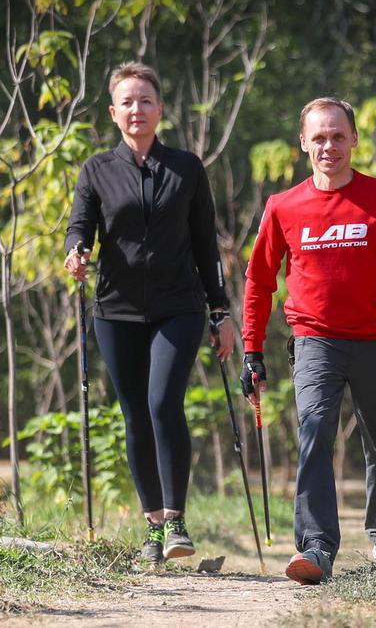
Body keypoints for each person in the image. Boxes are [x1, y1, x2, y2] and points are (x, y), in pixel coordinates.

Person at [241, 97, 376, 584]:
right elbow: (259, 281)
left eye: (338, 136)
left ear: (354, 139)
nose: (329, 146)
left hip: (372, 338)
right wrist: (251, 349)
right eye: (319, 137)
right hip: (314, 339)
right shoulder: (283, 205)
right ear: (303, 143)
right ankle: (317, 547)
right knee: (314, 433)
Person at [64, 61, 232, 564]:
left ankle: (177, 521)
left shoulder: (186, 167)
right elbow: (80, 226)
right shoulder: (96, 169)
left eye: (146, 100)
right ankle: (152, 528)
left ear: (160, 109)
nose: (137, 109)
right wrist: (76, 251)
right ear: (113, 113)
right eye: (127, 102)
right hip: (115, 311)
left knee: (163, 404)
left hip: (179, 307)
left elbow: (206, 245)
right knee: (135, 413)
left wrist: (220, 312)